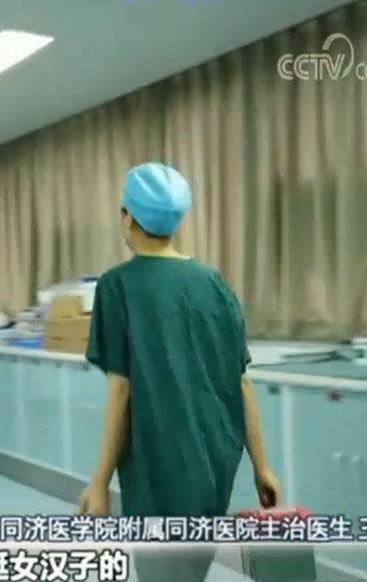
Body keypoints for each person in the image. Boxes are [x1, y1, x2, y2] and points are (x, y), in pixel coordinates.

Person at [79, 163, 282, 582]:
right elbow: (241, 382)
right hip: (214, 465)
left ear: (128, 217)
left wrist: (99, 483)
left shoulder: (118, 286)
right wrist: (263, 467)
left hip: (159, 468)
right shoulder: (214, 283)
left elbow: (122, 392)